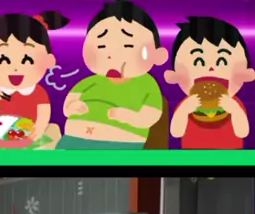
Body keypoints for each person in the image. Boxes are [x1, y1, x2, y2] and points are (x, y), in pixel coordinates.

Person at [57, 0, 168, 150]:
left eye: (128, 46)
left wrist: (128, 116)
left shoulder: (146, 84)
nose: (111, 55)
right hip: (74, 138)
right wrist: (72, 107)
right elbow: (68, 104)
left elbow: (151, 115)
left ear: (157, 55)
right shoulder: (91, 81)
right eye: (101, 46)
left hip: (121, 144)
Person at [0, 11, 68, 142]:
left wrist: (40, 129)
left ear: (47, 60)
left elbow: (43, 115)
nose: (15, 68)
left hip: (29, 134)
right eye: (4, 60)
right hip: (1, 135)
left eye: (27, 60)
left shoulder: (39, 93)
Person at [164, 16, 254, 149]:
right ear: (174, 75)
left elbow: (243, 132)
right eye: (198, 61)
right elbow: (176, 132)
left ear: (246, 73)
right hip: (193, 154)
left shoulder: (235, 103)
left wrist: (235, 110)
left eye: (222, 61)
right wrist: (184, 111)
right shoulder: (187, 103)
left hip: (230, 154)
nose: (211, 68)